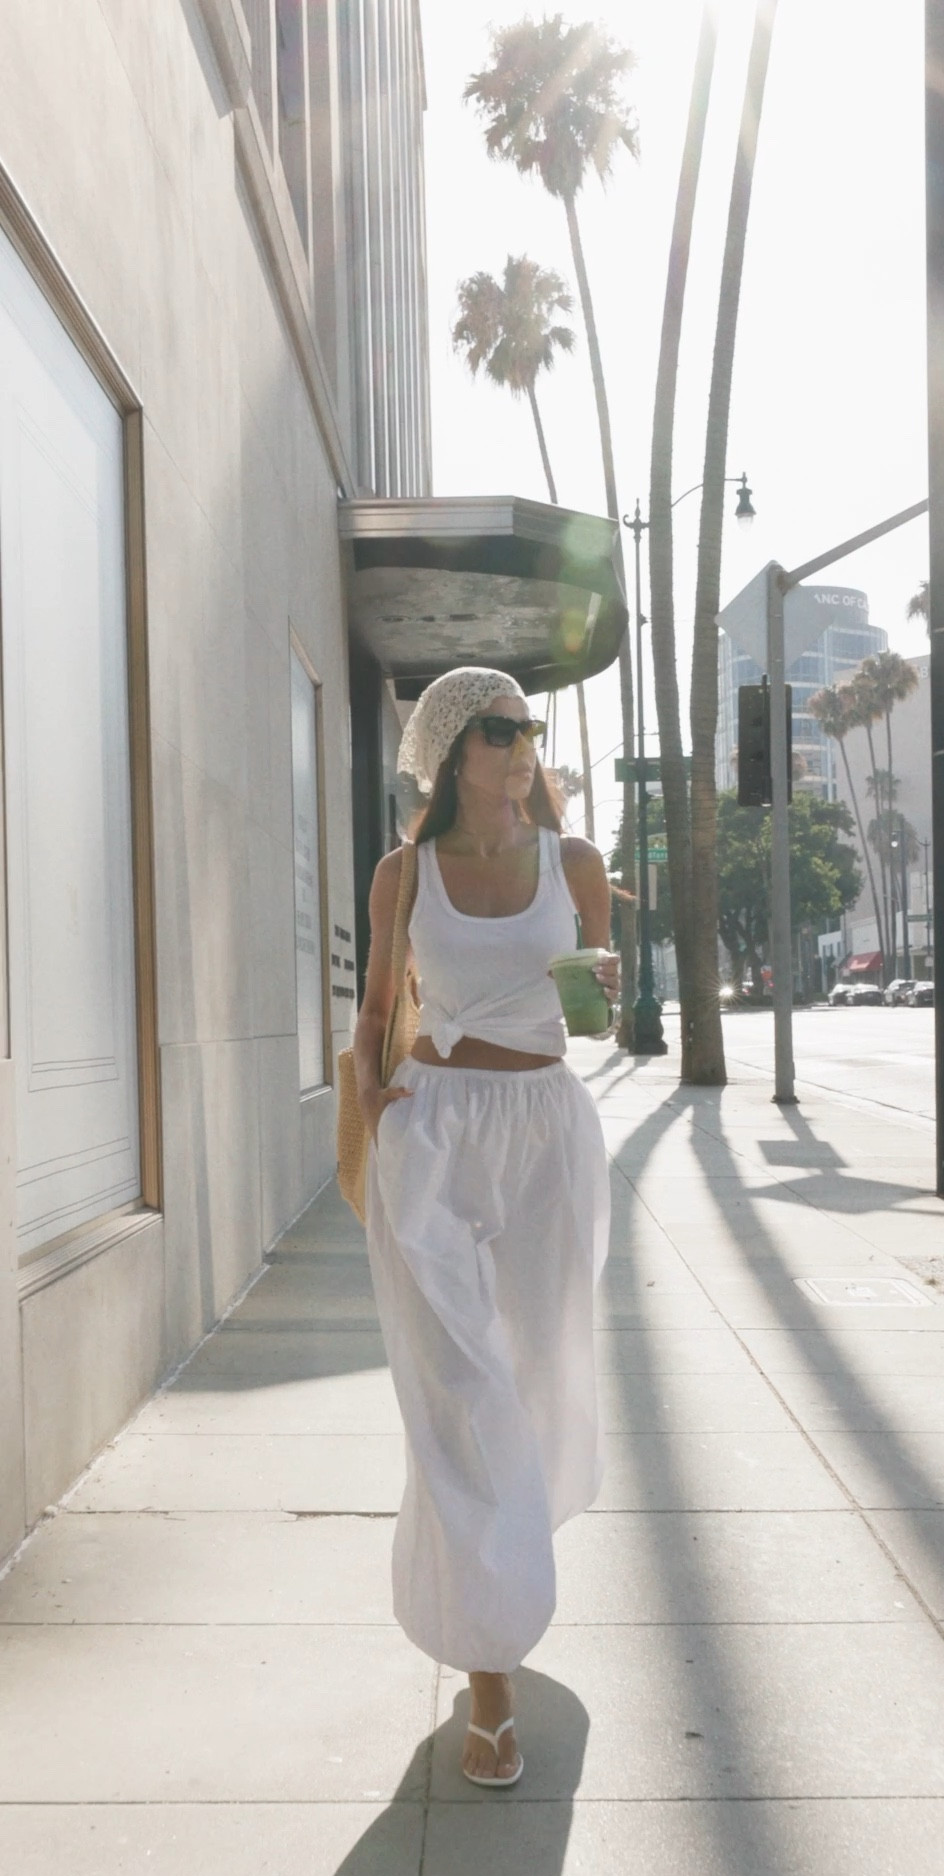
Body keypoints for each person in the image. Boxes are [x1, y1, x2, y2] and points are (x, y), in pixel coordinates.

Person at [352, 666, 618, 1786]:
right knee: (462, 1390)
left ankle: (503, 1563)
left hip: (547, 1131)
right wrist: (374, 1109)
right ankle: (491, 1679)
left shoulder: (579, 864)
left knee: (543, 1376)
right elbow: (374, 1008)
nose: (520, 745)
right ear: (455, 750)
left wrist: (603, 984)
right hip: (435, 1132)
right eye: (498, 729)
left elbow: (601, 1017)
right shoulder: (405, 873)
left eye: (528, 727)